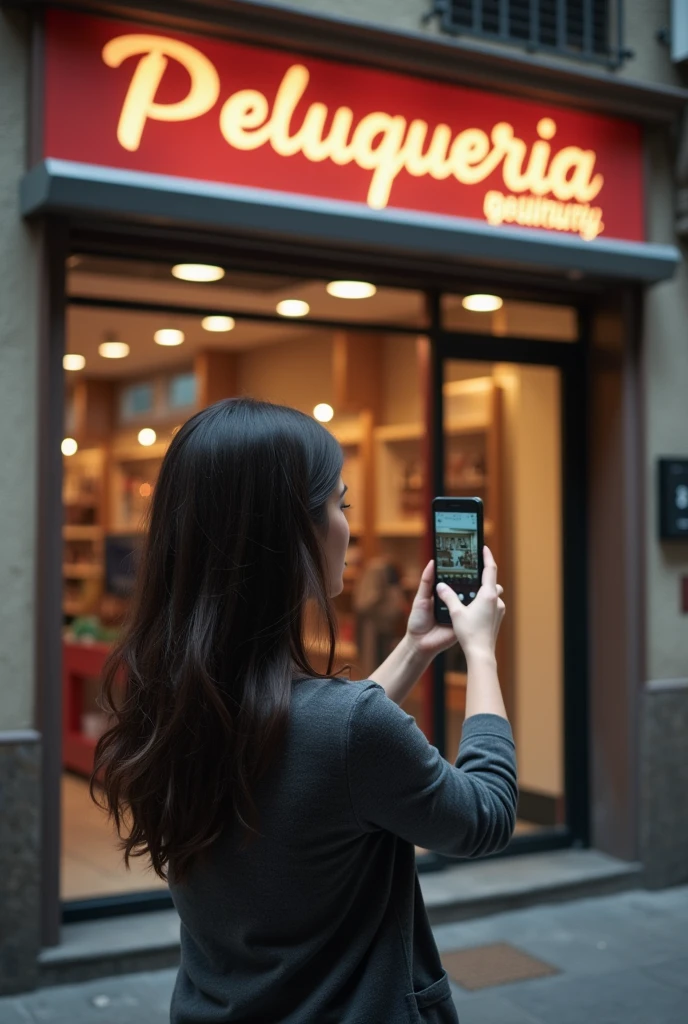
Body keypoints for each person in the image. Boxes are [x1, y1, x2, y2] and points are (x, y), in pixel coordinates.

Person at [92, 398, 517, 1024]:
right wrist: (480, 653)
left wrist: (415, 648)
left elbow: (312, 745)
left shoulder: (171, 698)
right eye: (338, 505)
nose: (347, 524)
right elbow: (486, 815)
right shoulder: (347, 729)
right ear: (289, 533)